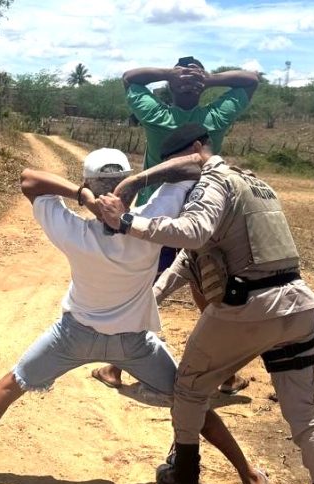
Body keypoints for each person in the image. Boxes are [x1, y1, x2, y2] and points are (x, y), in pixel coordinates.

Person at [0, 149, 267, 484]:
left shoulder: (73, 231)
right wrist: (139, 182)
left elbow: (29, 180)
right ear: (127, 184)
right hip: (133, 344)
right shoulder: (151, 223)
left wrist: (81, 195)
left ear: (89, 183)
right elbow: (196, 164)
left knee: (10, 386)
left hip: (73, 337)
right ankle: (250, 477)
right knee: (190, 402)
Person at [96, 124, 314, 484]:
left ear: (198, 149)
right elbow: (187, 262)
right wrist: (141, 304)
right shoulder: (255, 185)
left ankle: (184, 475)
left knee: (188, 388)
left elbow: (192, 233)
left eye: (173, 162)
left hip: (246, 310)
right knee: (308, 415)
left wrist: (125, 221)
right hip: (296, 307)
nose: (169, 172)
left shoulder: (213, 180)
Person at [92, 58, 260, 394]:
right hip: (207, 218)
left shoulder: (157, 115)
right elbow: (251, 80)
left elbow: (130, 78)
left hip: (160, 220)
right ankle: (225, 375)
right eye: (186, 74)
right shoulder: (214, 118)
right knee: (209, 291)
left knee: (146, 288)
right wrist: (207, 79)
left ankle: (115, 366)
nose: (189, 78)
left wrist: (172, 75)